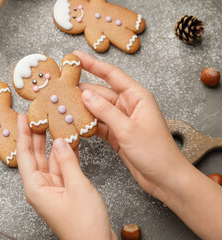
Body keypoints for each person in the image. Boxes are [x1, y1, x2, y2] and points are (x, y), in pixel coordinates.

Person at [16, 50, 222, 240]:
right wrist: (170, 177)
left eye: (41, 75)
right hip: (64, 129)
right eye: (33, 81)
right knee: (69, 133)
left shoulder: (65, 81)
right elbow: (37, 119)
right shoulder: (38, 102)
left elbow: (70, 69)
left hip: (83, 119)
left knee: (86, 125)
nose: (40, 82)